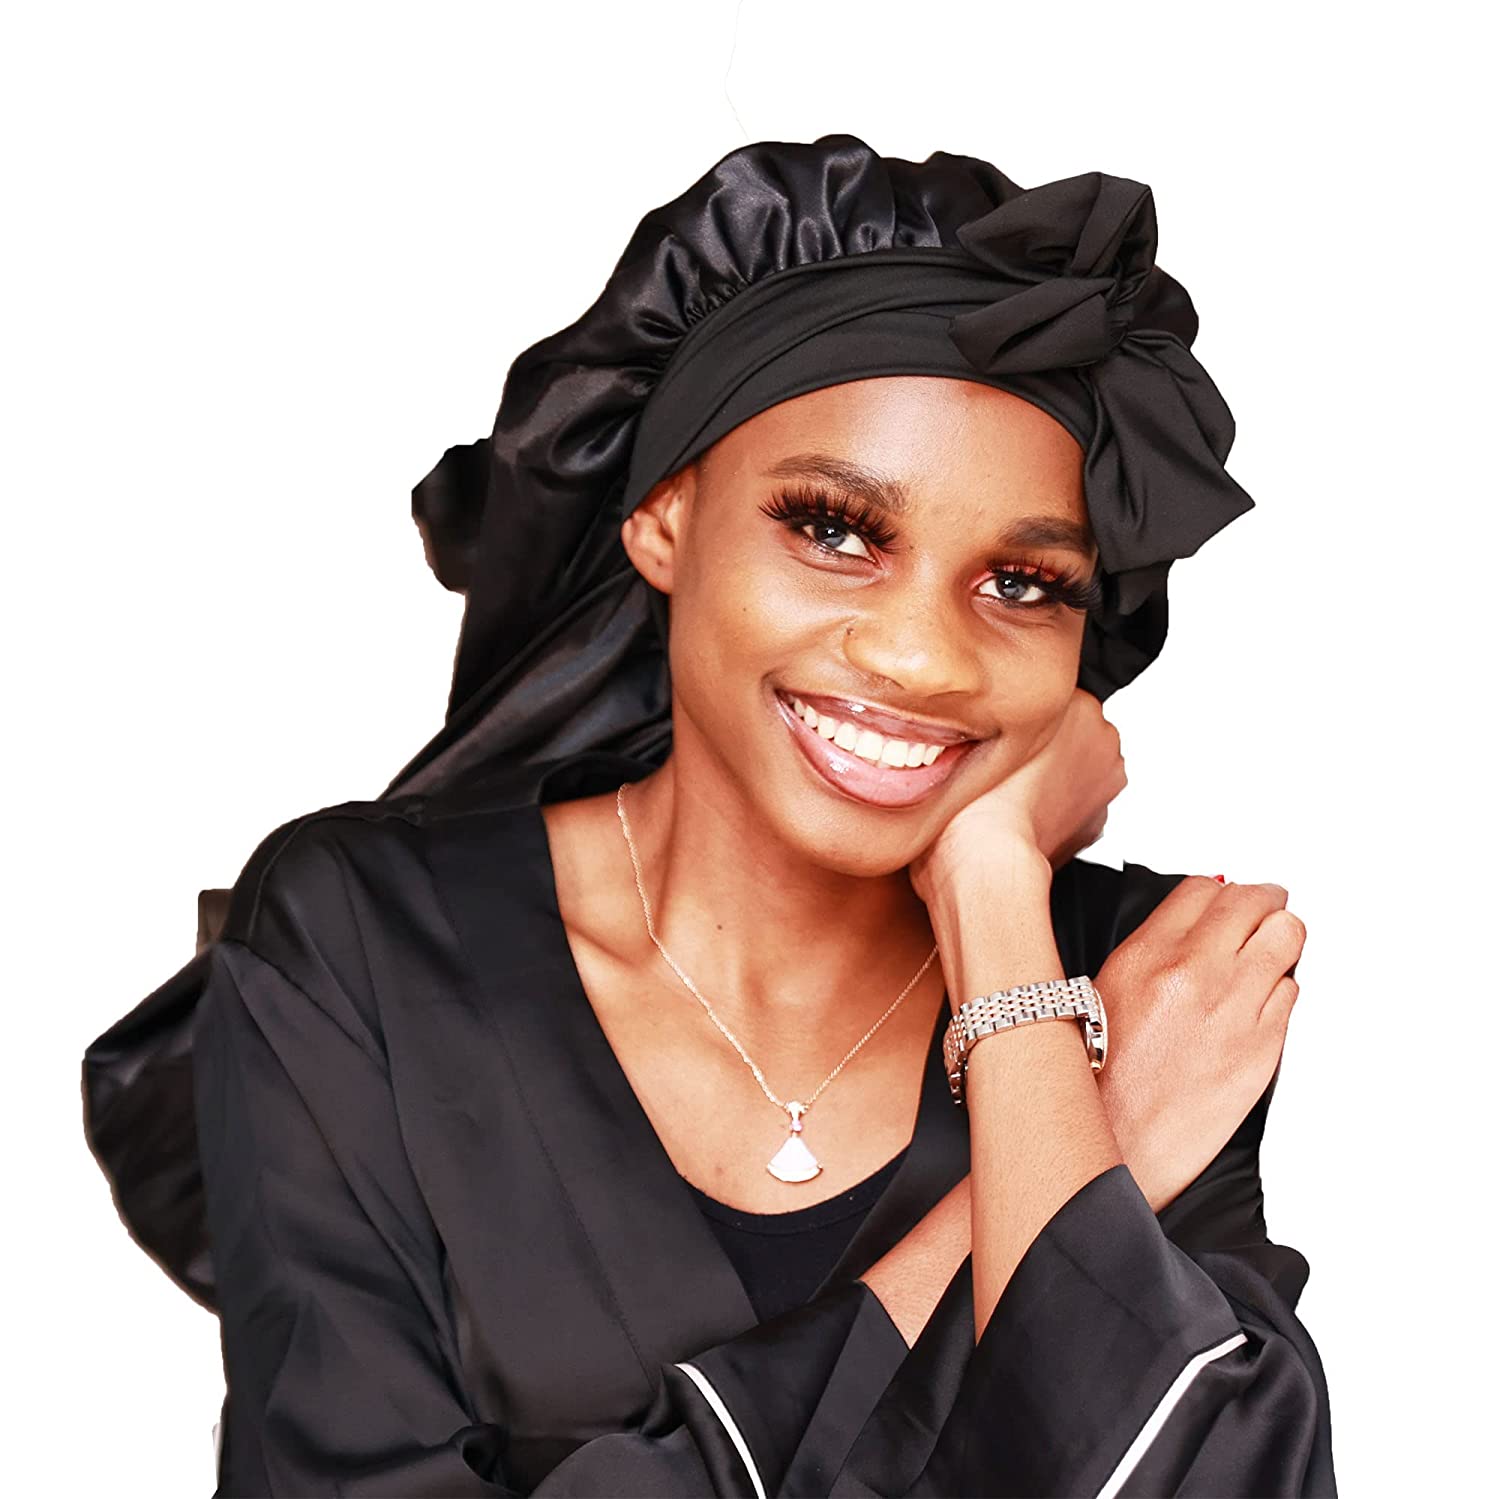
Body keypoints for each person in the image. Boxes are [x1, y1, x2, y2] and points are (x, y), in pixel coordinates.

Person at [82, 134, 1337, 1496]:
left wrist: (996, 912)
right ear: (664, 516)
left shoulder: (1137, 977)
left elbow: (1218, 1472)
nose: (923, 658)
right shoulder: (363, 945)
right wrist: (1059, 1177)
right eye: (836, 530)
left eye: (1024, 585)